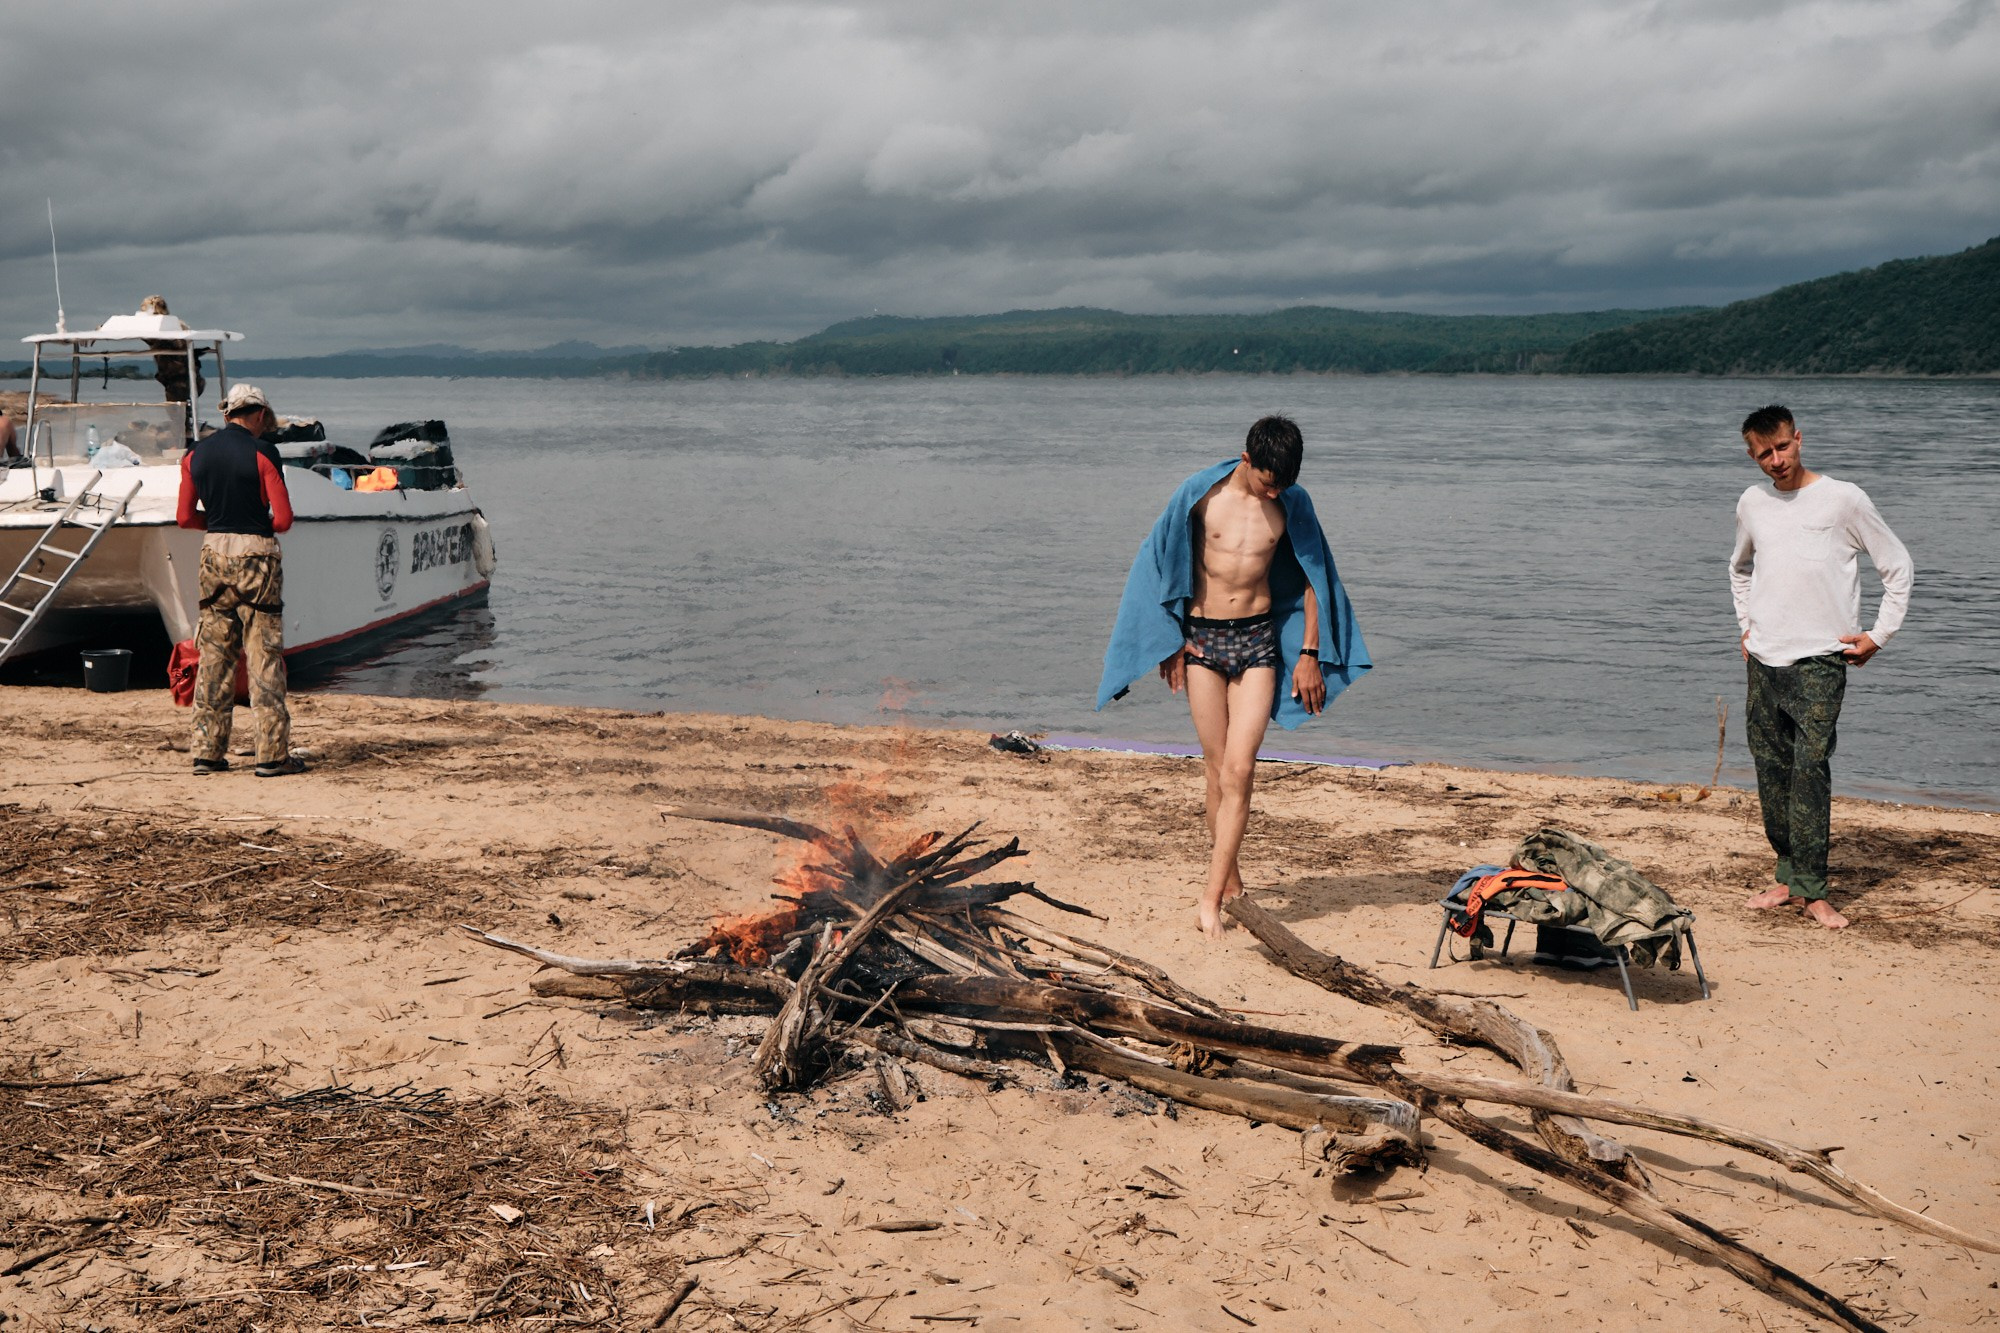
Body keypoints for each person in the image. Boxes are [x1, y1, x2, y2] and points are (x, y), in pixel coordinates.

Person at [1098, 416, 1370, 937]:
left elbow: (1316, 576)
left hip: (1257, 642)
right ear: (1246, 460)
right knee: (1216, 768)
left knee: (1240, 770)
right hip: (1201, 643)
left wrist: (1310, 652)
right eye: (1268, 480)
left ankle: (1209, 899)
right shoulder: (1200, 497)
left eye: (1283, 483)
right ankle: (1234, 883)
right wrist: (1168, 639)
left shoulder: (1292, 503)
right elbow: (1161, 563)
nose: (1275, 490)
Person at [1730, 404, 1912, 930]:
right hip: (1763, 658)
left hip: (1819, 660)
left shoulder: (1843, 499)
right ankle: (1788, 876)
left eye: (1782, 446)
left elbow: (1897, 566)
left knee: (1810, 770)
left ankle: (1813, 891)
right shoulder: (1752, 503)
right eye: (1763, 453)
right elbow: (1739, 568)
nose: (1776, 460)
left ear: (1799, 439)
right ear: (1751, 455)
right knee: (1772, 770)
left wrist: (1879, 634)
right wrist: (1746, 624)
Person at [176, 383, 307, 777]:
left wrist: (217, 523)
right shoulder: (264, 452)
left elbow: (184, 518)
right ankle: (271, 756)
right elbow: (282, 521)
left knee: (215, 656)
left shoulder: (194, 454)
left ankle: (207, 753)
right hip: (257, 555)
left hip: (213, 553)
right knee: (264, 655)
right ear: (261, 415)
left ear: (226, 414)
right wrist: (253, 525)